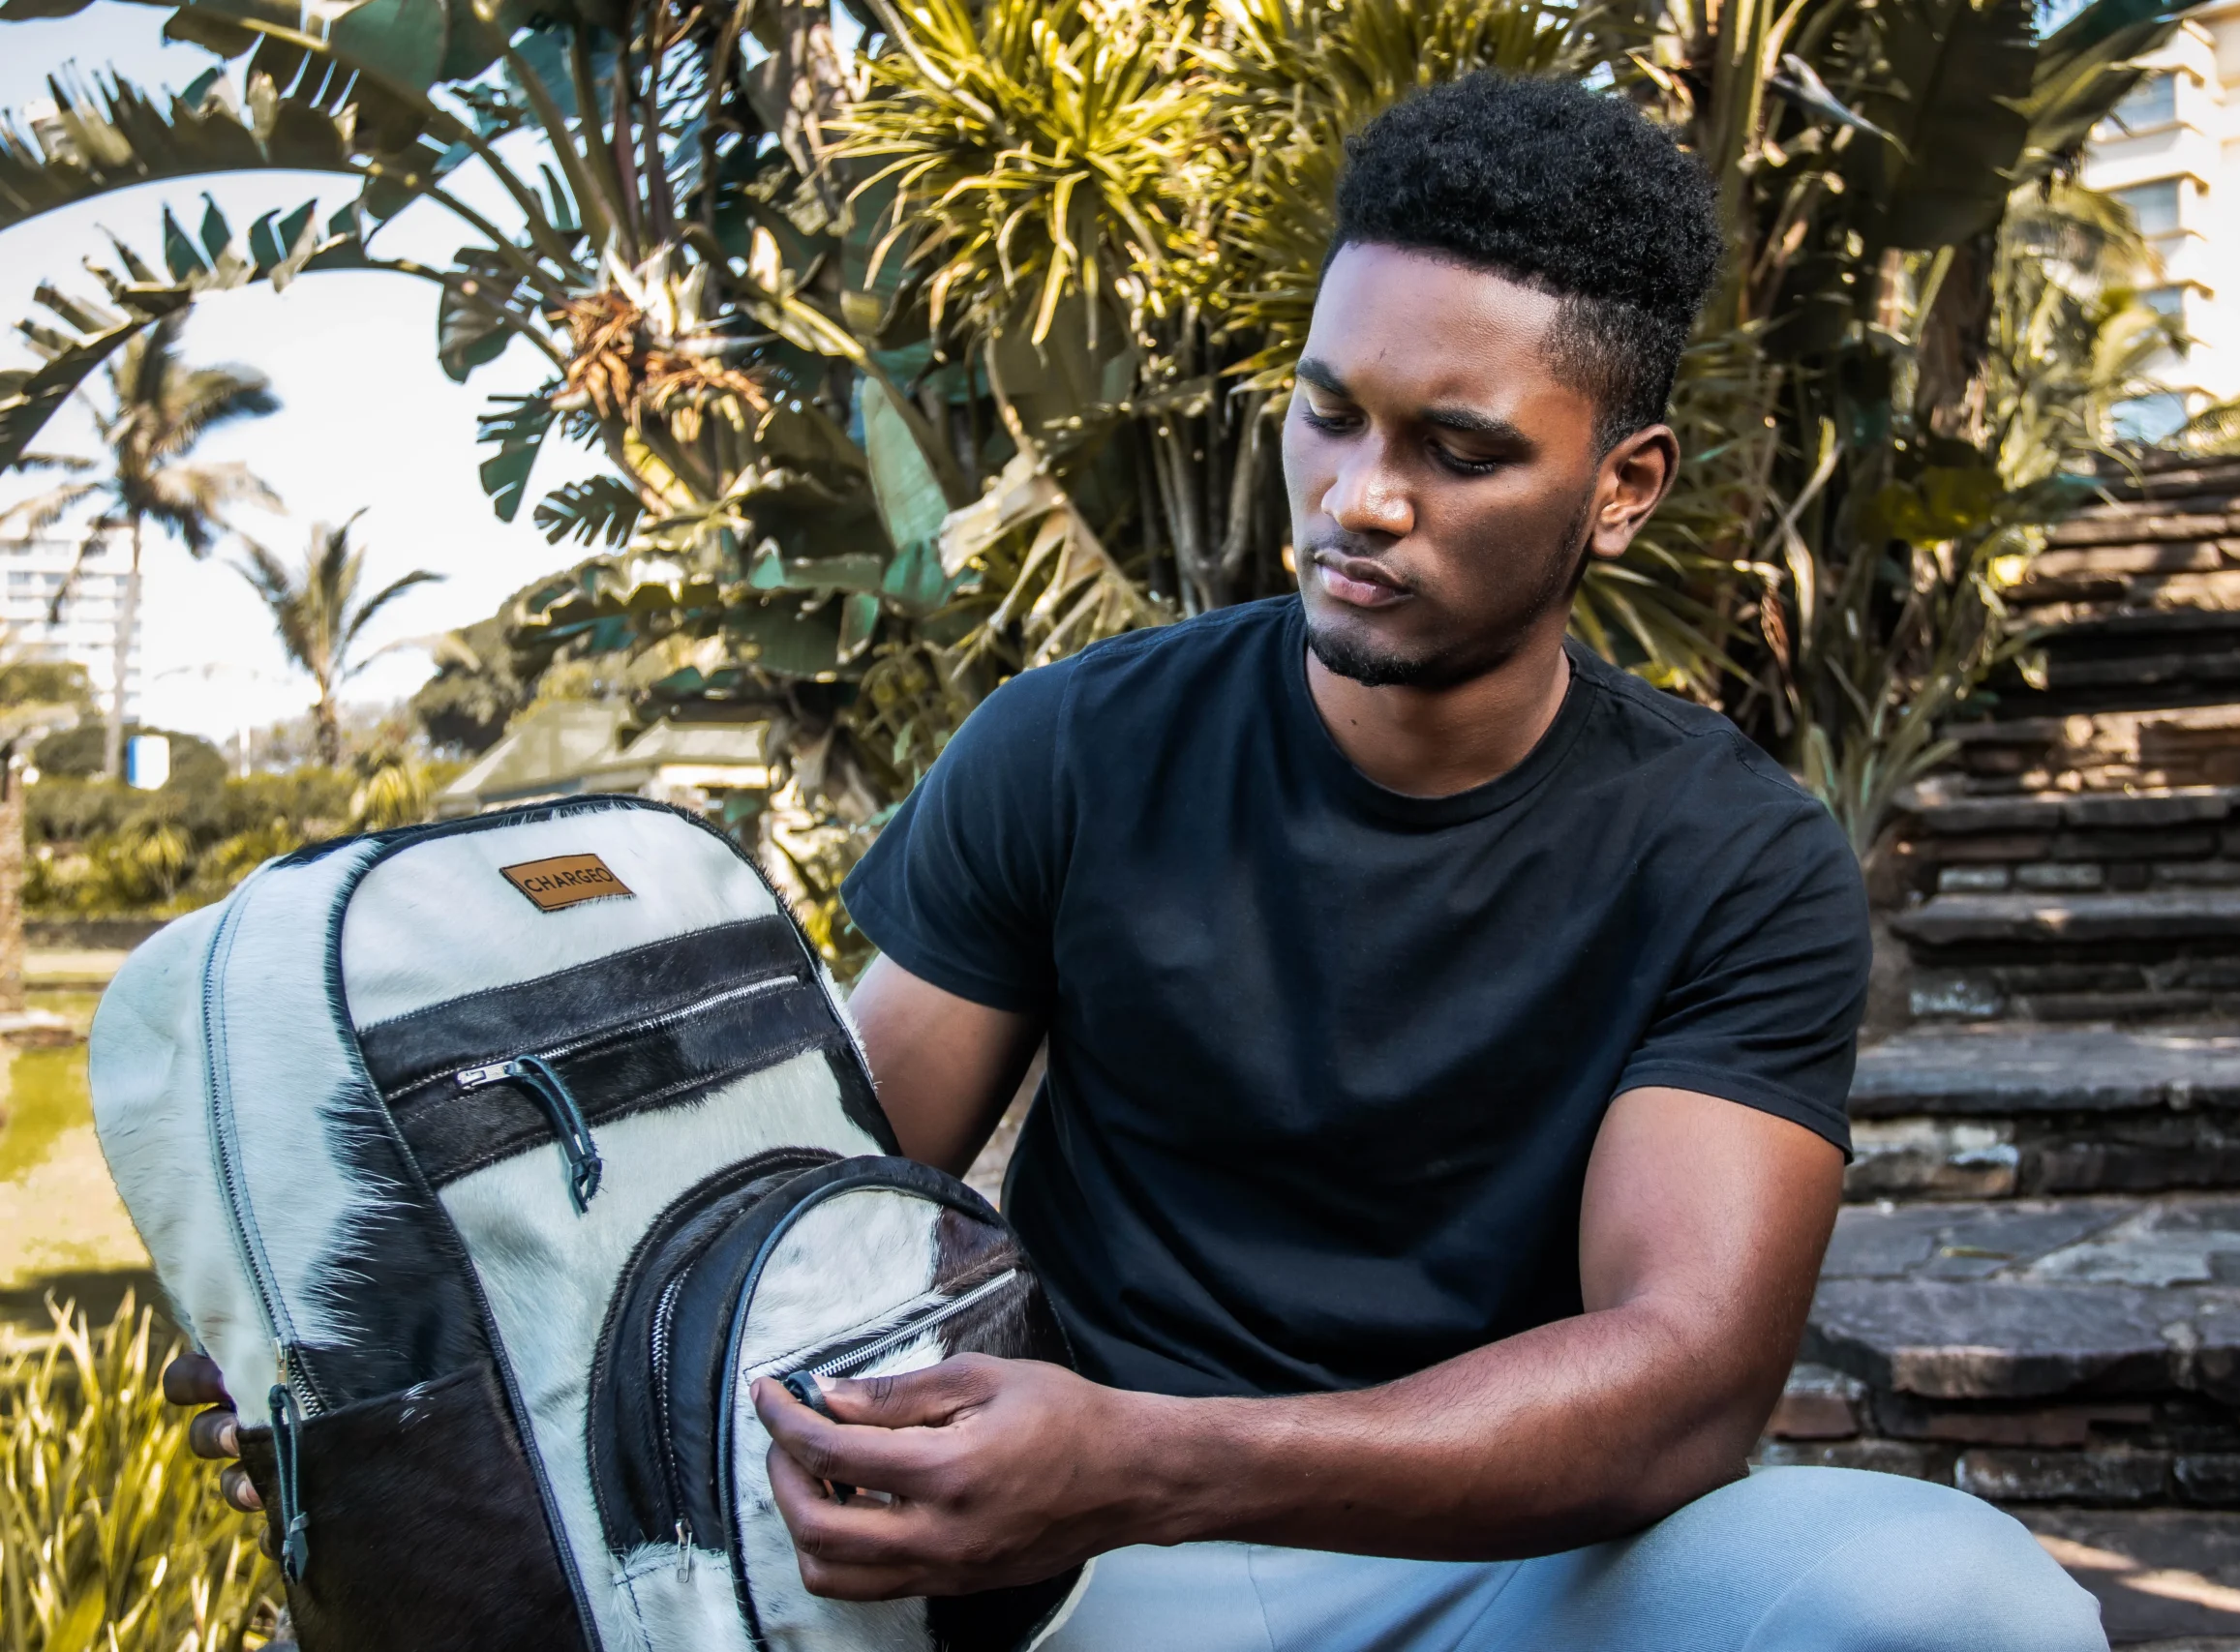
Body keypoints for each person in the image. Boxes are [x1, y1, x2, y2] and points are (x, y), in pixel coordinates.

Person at [169, 72, 2106, 1651]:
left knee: (1957, 1604)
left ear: (1622, 484)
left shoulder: (1733, 856)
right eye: (1325, 413)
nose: (1355, 499)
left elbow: (1680, 1386)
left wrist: (1158, 1454)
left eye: (1457, 449)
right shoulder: (1071, 749)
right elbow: (818, 1200)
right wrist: (423, 1380)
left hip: (1511, 1553)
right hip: (1106, 1582)